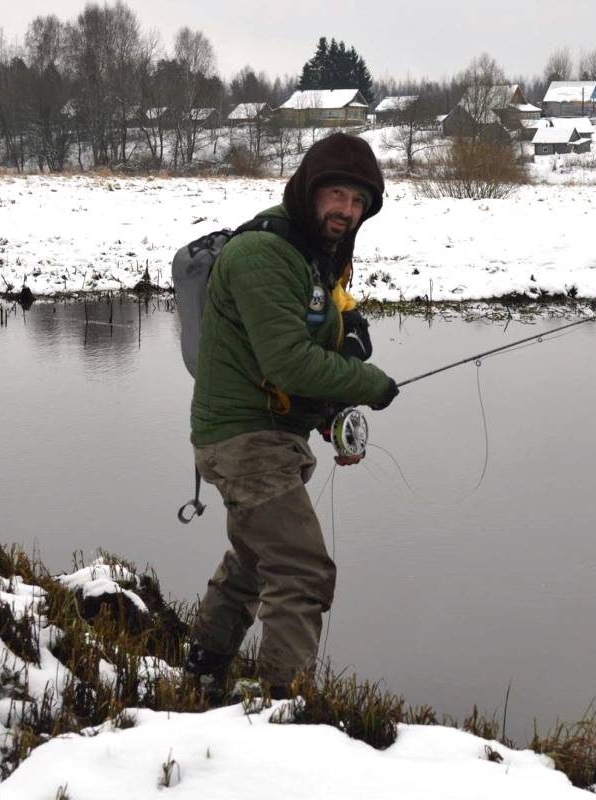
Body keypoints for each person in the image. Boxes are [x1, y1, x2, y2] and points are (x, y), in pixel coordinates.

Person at [185, 132, 399, 699]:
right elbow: (288, 364)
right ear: (309, 189)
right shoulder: (263, 253)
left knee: (255, 561)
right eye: (336, 195)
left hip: (266, 434)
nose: (346, 211)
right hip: (243, 439)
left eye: (358, 203)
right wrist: (369, 384)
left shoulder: (313, 254)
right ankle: (281, 710)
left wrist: (347, 336)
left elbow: (312, 333)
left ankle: (202, 675)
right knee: (303, 570)